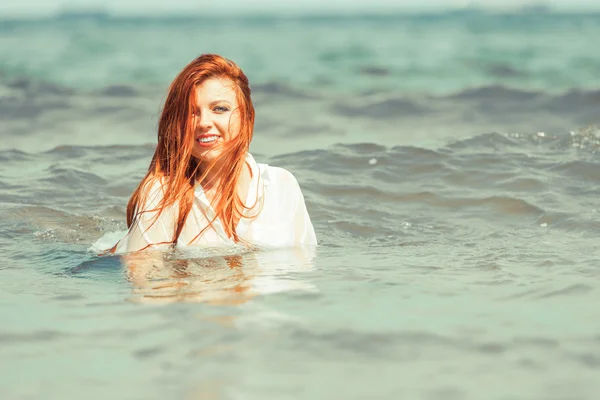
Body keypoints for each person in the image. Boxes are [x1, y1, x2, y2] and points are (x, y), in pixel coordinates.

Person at [109, 54, 317, 254]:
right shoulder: (163, 194)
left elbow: (304, 267)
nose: (204, 123)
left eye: (219, 109)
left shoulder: (281, 185)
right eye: (191, 112)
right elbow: (145, 281)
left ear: (246, 117)